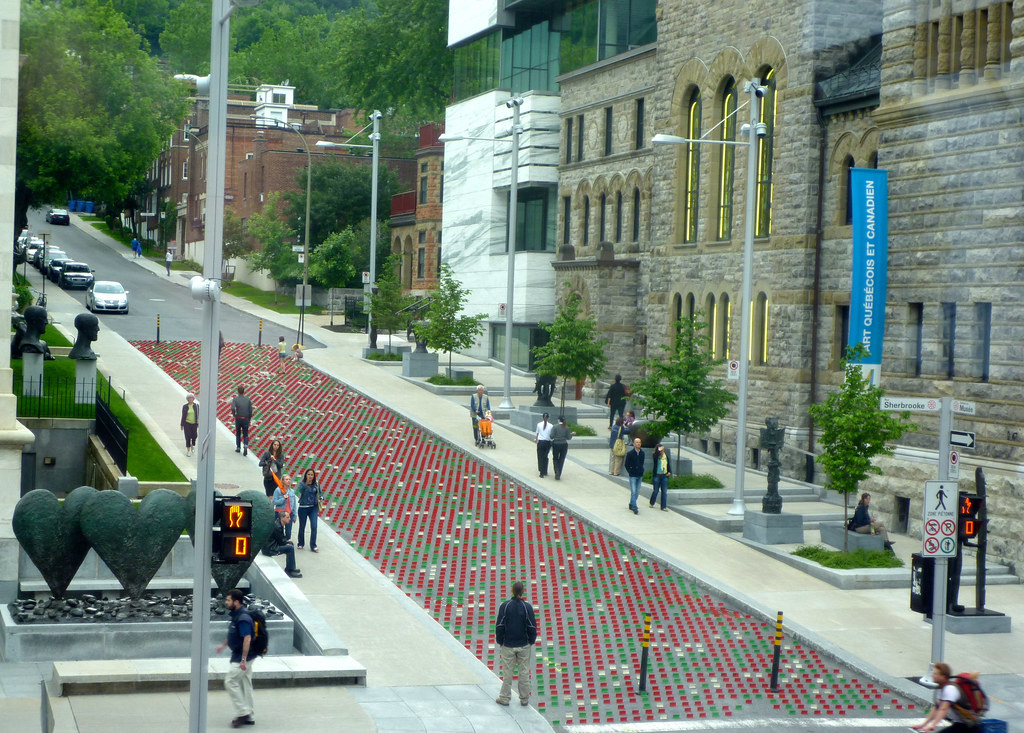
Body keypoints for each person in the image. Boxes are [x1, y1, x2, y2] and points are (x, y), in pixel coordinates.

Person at [215, 588, 258, 728]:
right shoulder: (236, 614)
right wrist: (224, 645)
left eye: (228, 600)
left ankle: (243, 712)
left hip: (243, 656)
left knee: (230, 681)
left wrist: (244, 660)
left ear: (236, 602)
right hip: (243, 654)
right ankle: (249, 715)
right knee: (245, 683)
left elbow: (247, 638)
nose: (226, 602)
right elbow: (236, 635)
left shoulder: (243, 618)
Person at [494, 581, 538, 708]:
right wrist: (531, 640)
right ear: (522, 592)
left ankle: (504, 698)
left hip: (508, 645)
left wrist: (500, 640)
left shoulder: (505, 606)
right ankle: (524, 699)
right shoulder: (527, 607)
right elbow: (532, 626)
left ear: (512, 591)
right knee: (524, 672)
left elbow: (500, 625)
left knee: (508, 672)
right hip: (524, 645)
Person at [912, 662, 973, 732]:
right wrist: (923, 724)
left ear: (943, 677)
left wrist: (932, 725)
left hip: (967, 726)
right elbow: (937, 708)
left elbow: (943, 709)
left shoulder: (950, 689)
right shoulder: (942, 688)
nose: (932, 675)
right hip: (960, 724)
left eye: (935, 674)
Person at [263, 511, 301, 578]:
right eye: (287, 517)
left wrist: (287, 541)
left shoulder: (278, 523)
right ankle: (290, 571)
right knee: (290, 548)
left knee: (290, 545)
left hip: (270, 546)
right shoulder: (277, 527)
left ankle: (291, 568)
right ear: (282, 518)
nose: (289, 518)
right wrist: (288, 541)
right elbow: (281, 542)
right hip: (270, 549)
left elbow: (281, 539)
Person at [296, 468, 323, 552]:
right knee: (302, 526)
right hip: (303, 507)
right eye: (308, 474)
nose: (310, 476)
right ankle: (300, 543)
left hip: (313, 508)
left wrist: (321, 498)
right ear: (306, 475)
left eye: (312, 475)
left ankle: (313, 545)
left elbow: (320, 493)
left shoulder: (316, 484)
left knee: (314, 526)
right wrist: (306, 483)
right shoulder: (302, 484)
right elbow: (301, 491)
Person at [272, 475, 297, 540]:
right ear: (282, 481)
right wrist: (283, 499)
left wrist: (295, 515)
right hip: (280, 513)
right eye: (286, 479)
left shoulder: (292, 491)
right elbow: (274, 502)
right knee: (279, 530)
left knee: (288, 531)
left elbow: (294, 504)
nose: (288, 481)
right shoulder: (278, 490)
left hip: (289, 513)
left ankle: (286, 542)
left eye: (289, 479)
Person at [624, 437, 645, 515]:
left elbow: (642, 463)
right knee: (633, 491)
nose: (638, 444)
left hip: (639, 474)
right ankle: (634, 507)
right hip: (633, 475)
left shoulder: (642, 453)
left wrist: (641, 470)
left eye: (639, 442)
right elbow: (626, 464)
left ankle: (631, 503)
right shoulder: (630, 454)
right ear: (634, 444)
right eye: (636, 442)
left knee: (637, 491)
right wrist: (630, 471)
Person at [231, 386, 253, 455]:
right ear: (244, 391)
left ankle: (238, 447)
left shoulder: (235, 399)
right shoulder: (247, 399)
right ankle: (245, 446)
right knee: (245, 434)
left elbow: (233, 408)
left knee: (238, 433)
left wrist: (234, 415)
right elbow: (250, 410)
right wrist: (249, 419)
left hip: (238, 418)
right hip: (245, 418)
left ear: (238, 391)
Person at [649, 443, 672, 511]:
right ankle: (652, 502)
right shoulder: (655, 456)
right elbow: (655, 458)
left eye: (663, 449)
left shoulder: (666, 456)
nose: (662, 451)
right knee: (656, 491)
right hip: (657, 475)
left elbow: (668, 465)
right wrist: (658, 451)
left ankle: (663, 506)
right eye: (661, 449)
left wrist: (669, 472)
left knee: (664, 492)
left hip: (664, 476)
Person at [550, 416, 573, 480]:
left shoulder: (555, 427)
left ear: (559, 420)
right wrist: (572, 434)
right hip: (564, 444)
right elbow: (569, 437)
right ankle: (559, 472)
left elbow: (551, 436)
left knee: (555, 458)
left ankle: (556, 471)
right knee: (561, 459)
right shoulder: (566, 428)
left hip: (556, 444)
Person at [534, 413, 553, 478]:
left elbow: (537, 433)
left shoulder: (539, 424)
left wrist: (536, 439)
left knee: (540, 456)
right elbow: (551, 435)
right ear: (548, 418)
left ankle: (541, 471)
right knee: (545, 456)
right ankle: (545, 470)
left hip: (541, 442)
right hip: (547, 442)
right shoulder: (551, 425)